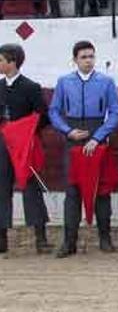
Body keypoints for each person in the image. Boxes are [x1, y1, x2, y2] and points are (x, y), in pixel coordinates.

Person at [49, 41, 118, 258]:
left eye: (91, 56)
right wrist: (67, 131)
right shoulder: (64, 82)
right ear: (75, 60)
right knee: (72, 191)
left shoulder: (106, 82)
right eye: (84, 57)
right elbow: (54, 111)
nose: (88, 60)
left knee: (101, 190)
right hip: (73, 137)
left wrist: (98, 137)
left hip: (96, 133)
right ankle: (69, 242)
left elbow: (116, 113)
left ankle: (105, 238)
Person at [0, 44, 50, 255]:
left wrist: (25, 133)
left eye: (1, 60)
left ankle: (40, 238)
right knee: (1, 188)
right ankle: (2, 239)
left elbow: (42, 117)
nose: (0, 63)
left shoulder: (30, 87)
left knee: (31, 188)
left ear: (12, 62)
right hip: (2, 144)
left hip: (24, 146)